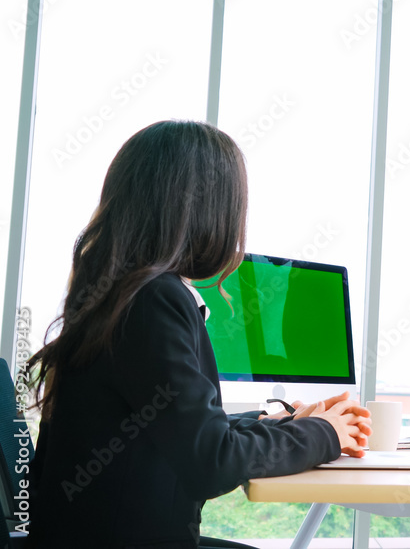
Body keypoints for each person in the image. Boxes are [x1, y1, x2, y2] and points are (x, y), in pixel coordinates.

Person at [25, 120, 372, 549]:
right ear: (208, 209)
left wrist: (278, 422)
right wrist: (326, 434)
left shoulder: (120, 293)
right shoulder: (154, 300)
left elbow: (172, 426)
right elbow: (211, 462)